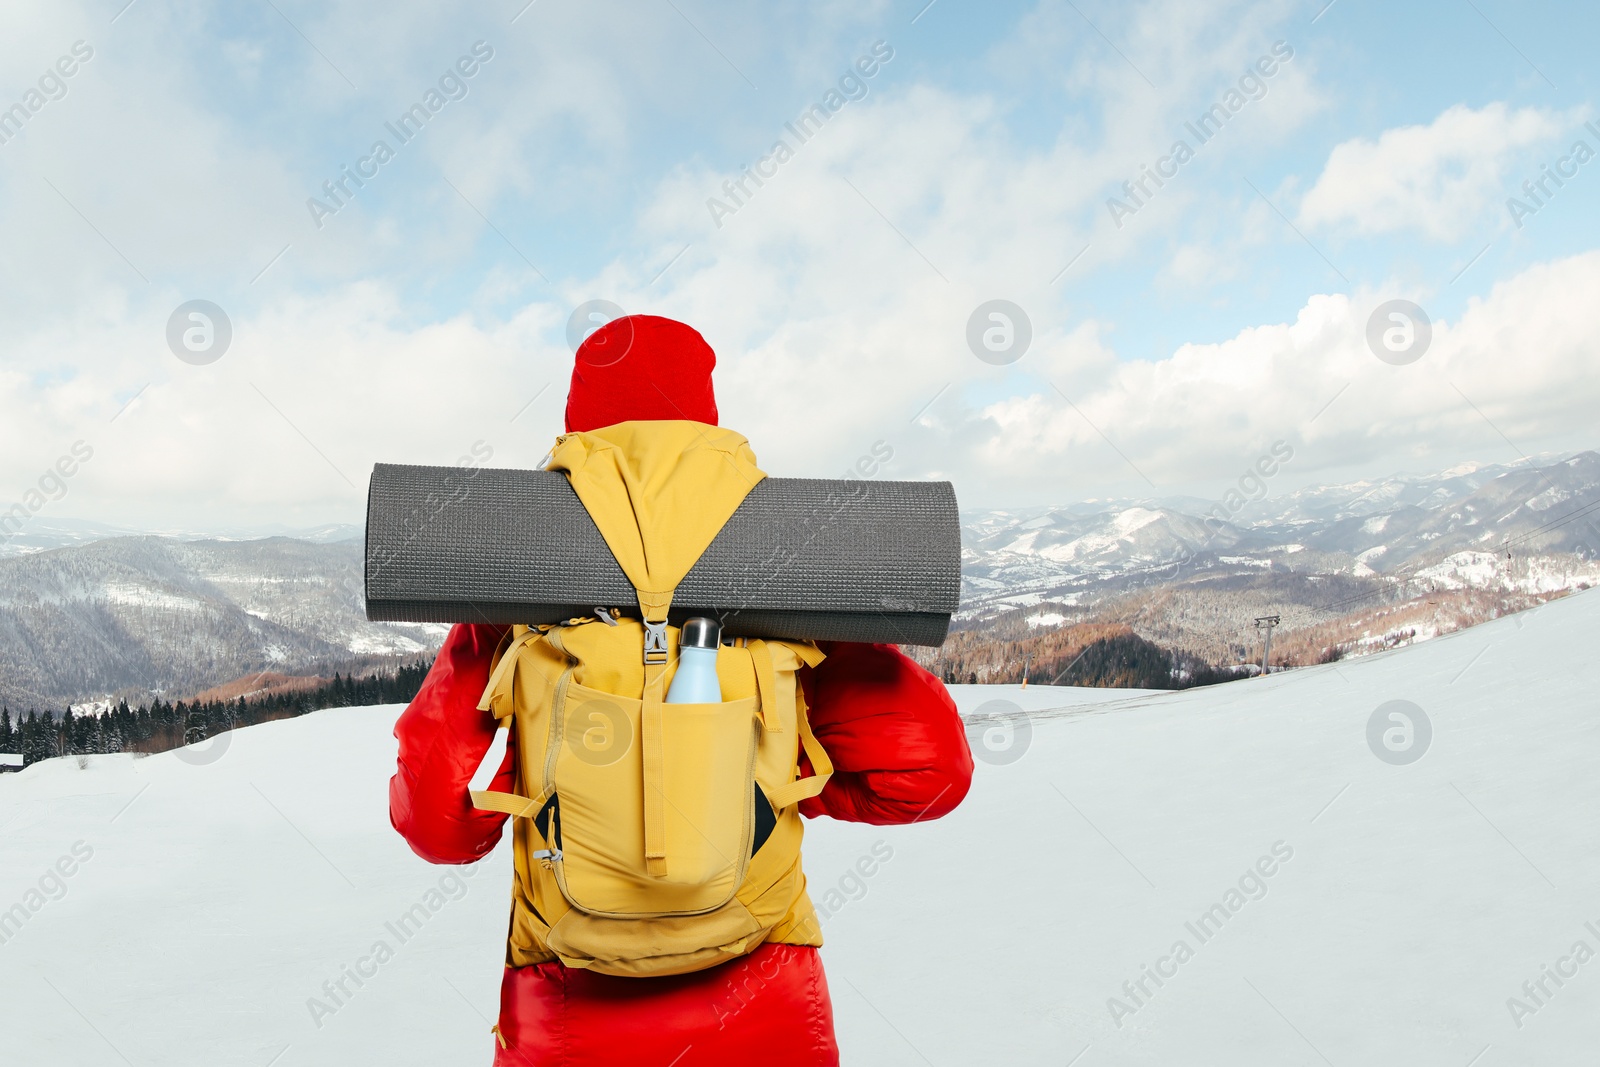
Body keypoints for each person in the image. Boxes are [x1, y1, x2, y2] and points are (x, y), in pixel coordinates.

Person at [389, 314, 974, 1066]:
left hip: (569, 1010)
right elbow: (931, 771)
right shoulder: (779, 556)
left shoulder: (521, 572)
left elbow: (440, 823)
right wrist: (756, 790)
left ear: (579, 418)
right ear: (706, 412)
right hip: (766, 1006)